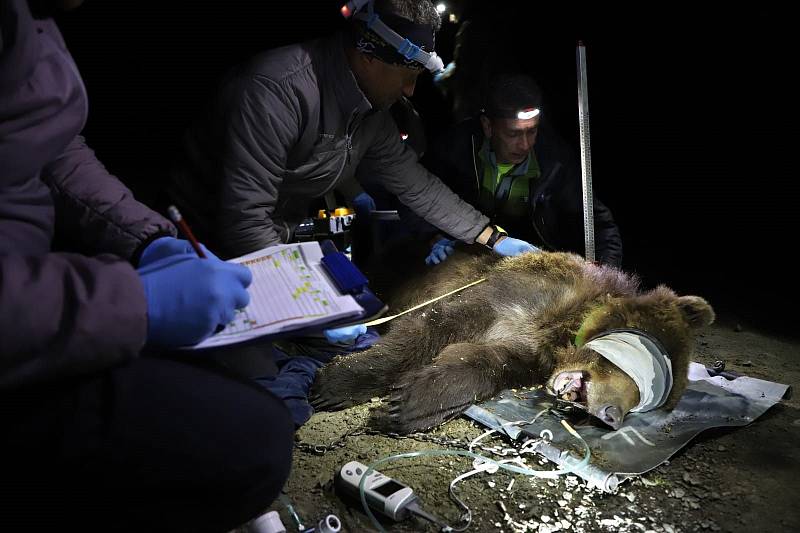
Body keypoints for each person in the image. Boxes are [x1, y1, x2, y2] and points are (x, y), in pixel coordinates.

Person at [0, 1, 293, 530]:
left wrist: (148, 239)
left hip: (33, 289)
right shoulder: (275, 89)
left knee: (227, 383)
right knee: (251, 442)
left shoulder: (30, 15)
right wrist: (131, 301)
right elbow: (246, 208)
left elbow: (52, 148)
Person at [165, 0, 539, 266]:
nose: (410, 91)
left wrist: (492, 237)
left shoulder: (371, 110)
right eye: (407, 78)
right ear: (368, 57)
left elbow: (417, 185)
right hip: (203, 246)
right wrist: (305, 303)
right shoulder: (275, 92)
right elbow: (244, 221)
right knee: (271, 369)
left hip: (276, 238)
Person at [422, 73, 623, 266]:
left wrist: (608, 272)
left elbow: (599, 225)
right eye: (513, 134)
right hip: (463, 256)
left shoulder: (555, 161)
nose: (525, 145)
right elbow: (414, 197)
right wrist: (433, 238)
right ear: (487, 126)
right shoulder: (453, 149)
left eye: (531, 131)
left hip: (531, 262)